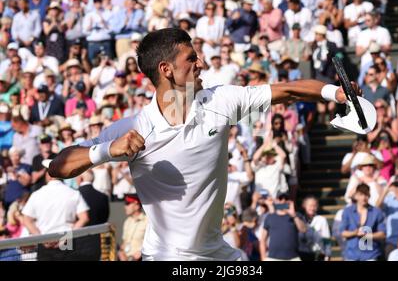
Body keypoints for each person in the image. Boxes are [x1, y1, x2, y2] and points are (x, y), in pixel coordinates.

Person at [48, 28, 357, 261]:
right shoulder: (133, 128)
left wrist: (334, 93)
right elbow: (57, 167)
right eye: (191, 58)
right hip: (169, 257)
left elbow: (287, 90)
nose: (201, 64)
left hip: (218, 253)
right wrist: (106, 150)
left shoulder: (220, 100)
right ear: (166, 70)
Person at [21, 172, 89, 261]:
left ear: (47, 176)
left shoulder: (36, 194)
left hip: (45, 241)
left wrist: (40, 238)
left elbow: (26, 219)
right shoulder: (73, 193)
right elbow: (84, 218)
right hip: (66, 242)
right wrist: (67, 236)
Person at [340, 183, 386, 261]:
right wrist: (354, 233)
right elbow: (343, 232)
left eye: (366, 195)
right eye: (361, 194)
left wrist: (368, 235)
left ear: (369, 195)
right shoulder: (347, 211)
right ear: (356, 196)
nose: (364, 198)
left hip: (371, 254)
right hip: (352, 254)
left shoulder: (376, 212)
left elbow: (382, 234)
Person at [259, 193, 307, 261]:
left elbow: (303, 229)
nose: (283, 201)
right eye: (280, 199)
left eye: (286, 199)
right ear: (276, 201)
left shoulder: (297, 215)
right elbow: (263, 240)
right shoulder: (270, 217)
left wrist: (294, 215)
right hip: (272, 258)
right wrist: (263, 258)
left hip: (293, 258)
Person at [298, 196, 332, 261]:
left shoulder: (322, 220)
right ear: (304, 206)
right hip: (302, 253)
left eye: (315, 206)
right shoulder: (299, 219)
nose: (312, 208)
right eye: (310, 206)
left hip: (318, 254)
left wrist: (328, 254)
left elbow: (326, 239)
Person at [118, 193, 148, 261]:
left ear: (137, 205)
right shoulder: (127, 221)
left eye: (128, 203)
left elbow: (153, 242)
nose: (125, 207)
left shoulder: (147, 221)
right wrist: (121, 252)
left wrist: (142, 252)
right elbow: (124, 242)